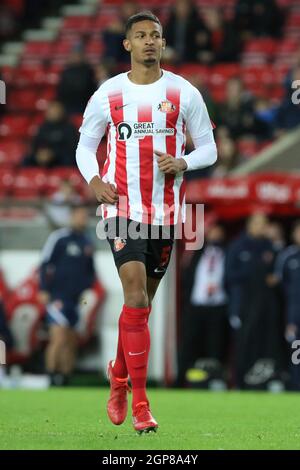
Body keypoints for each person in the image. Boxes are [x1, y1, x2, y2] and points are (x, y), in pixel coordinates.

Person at [76, 11, 217, 433]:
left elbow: (210, 149)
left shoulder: (183, 92)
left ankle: (118, 376)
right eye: (141, 36)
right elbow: (85, 147)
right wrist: (95, 179)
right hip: (121, 208)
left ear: (163, 43)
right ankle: (140, 403)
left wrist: (184, 161)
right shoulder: (108, 94)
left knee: (141, 307)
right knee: (136, 298)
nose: (149, 42)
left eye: (155, 35)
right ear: (128, 45)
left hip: (166, 212)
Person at [39, 205, 96, 386]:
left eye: (85, 216)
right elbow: (44, 263)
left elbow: (91, 272)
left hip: (76, 300)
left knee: (71, 339)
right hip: (58, 297)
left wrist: (86, 292)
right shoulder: (59, 238)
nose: (83, 219)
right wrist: (44, 289)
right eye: (79, 215)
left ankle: (65, 377)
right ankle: (50, 375)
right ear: (72, 216)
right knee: (58, 336)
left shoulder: (87, 242)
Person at [226, 213, 284, 389]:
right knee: (244, 343)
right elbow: (229, 276)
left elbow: (278, 273)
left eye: (264, 224)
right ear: (249, 225)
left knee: (266, 343)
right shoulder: (237, 246)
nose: (261, 227)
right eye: (258, 223)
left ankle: (264, 382)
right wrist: (253, 274)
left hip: (266, 305)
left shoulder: (270, 247)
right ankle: (240, 382)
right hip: (244, 304)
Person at [177, 223, 228, 387]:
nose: (215, 236)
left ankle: (215, 380)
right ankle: (181, 380)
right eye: (213, 232)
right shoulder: (196, 253)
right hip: (196, 306)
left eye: (219, 233)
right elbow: (187, 275)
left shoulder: (226, 254)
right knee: (189, 343)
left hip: (217, 307)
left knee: (215, 345)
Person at [275, 220, 300, 390]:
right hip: (294, 312)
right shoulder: (288, 256)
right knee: (296, 349)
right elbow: (280, 283)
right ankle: (296, 385)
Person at [23, 101, 78, 167]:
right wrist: (39, 154)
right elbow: (36, 144)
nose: (53, 113)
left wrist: (53, 154)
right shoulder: (42, 128)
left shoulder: (69, 128)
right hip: (43, 157)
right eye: (51, 110)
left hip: (61, 158)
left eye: (55, 110)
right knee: (26, 160)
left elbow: (72, 148)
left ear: (62, 111)